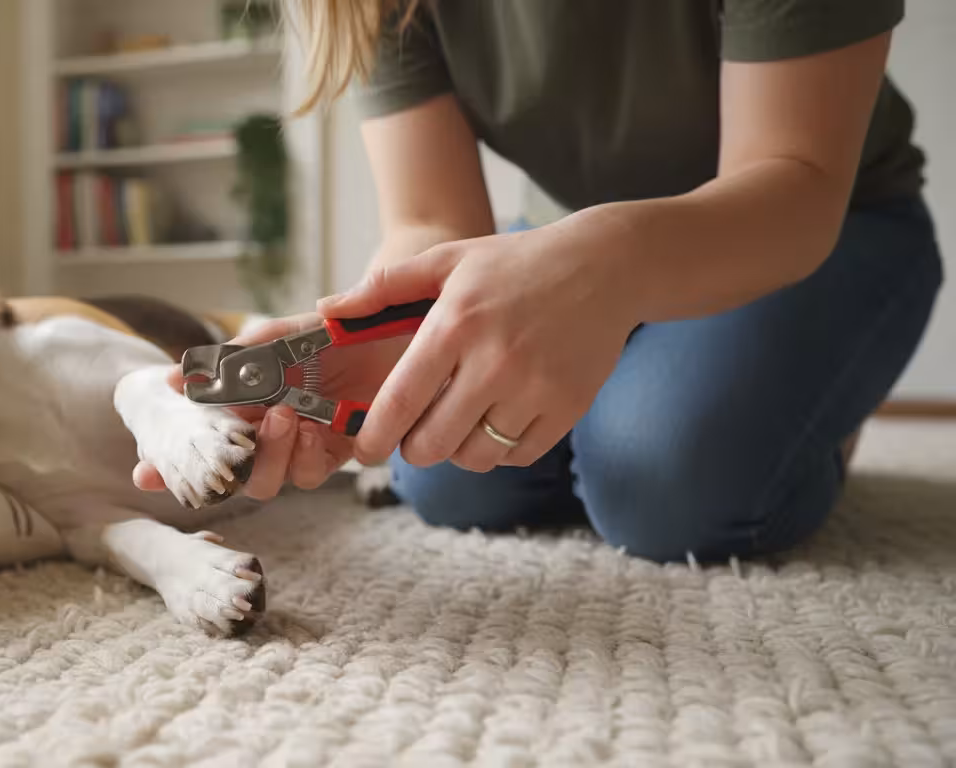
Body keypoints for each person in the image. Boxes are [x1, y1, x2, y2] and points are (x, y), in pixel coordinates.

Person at [137, 0, 945, 563]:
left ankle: (818, 422)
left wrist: (606, 267)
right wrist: (381, 338)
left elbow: (794, 181)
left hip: (815, 230)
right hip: (566, 258)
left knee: (664, 485)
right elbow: (430, 222)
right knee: (446, 478)